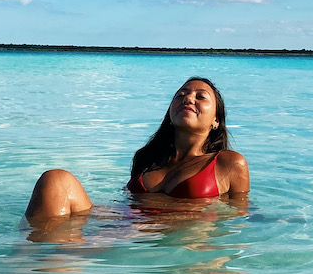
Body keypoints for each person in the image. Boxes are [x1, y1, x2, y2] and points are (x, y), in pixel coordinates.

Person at [24, 76, 250, 223]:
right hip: (128, 225)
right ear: (170, 112)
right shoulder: (147, 159)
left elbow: (240, 215)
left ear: (216, 120)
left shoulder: (229, 163)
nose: (188, 98)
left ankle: (25, 270)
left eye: (200, 97)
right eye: (180, 95)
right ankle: (26, 254)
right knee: (56, 180)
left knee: (56, 253)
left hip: (168, 234)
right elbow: (126, 205)